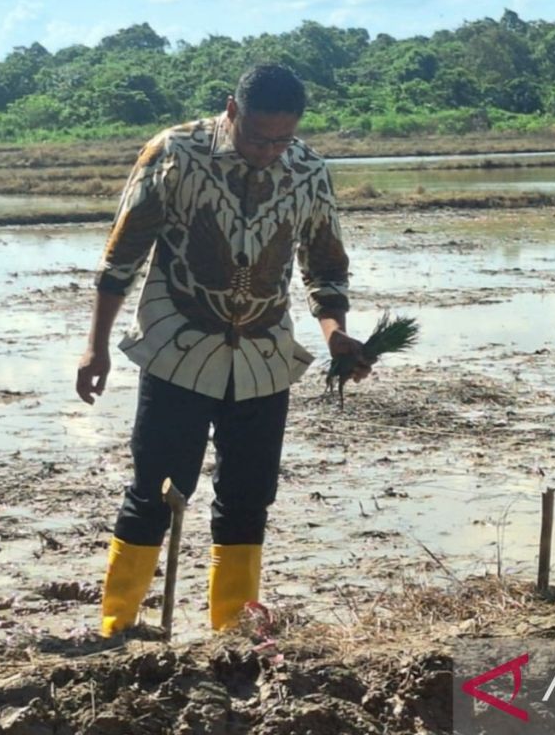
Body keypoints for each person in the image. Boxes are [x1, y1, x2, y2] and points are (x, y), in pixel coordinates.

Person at [77, 64, 371, 635]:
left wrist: (334, 334)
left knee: (247, 498)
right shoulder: (175, 154)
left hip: (263, 359)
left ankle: (231, 632)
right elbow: (121, 256)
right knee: (156, 492)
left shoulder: (307, 170)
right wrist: (96, 347)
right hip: (177, 350)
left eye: (282, 139)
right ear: (231, 112)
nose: (268, 151)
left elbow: (325, 266)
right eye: (258, 137)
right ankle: (117, 626)